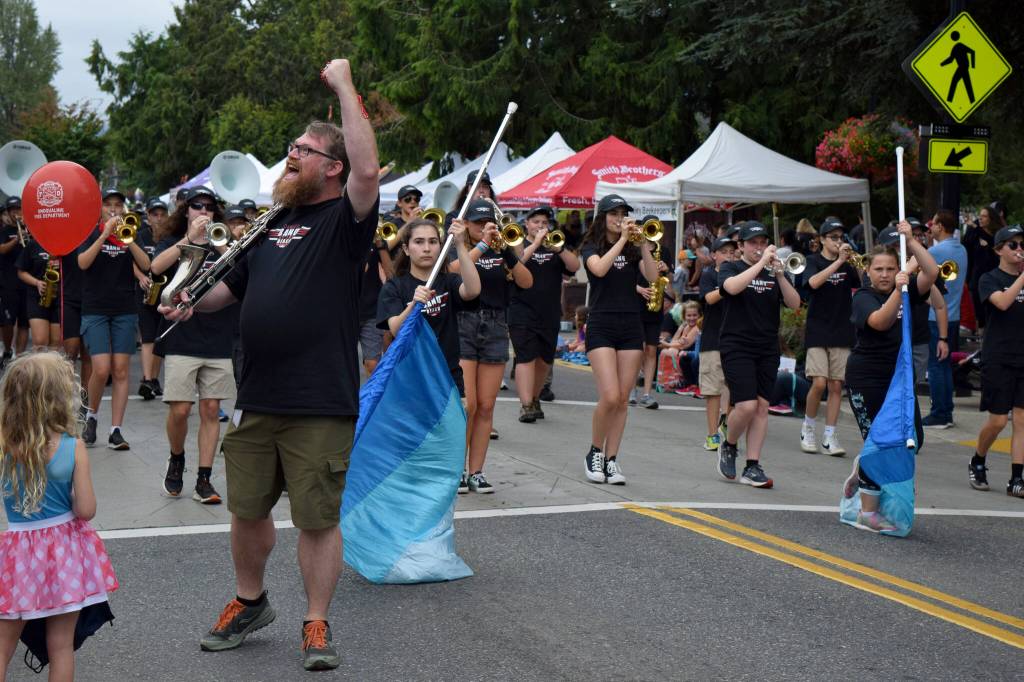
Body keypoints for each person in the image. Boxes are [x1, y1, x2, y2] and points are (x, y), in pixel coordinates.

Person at [159, 59, 379, 671]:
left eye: (303, 150)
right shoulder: (270, 222)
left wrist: (342, 86)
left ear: (330, 167)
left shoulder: (346, 219)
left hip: (319, 398)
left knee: (315, 518)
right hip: (257, 393)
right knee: (247, 509)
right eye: (291, 147)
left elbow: (367, 168)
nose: (290, 156)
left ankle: (315, 621)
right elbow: (233, 292)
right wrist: (191, 301)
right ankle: (250, 601)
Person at [0, 352, 118, 680]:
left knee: (2, 642)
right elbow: (86, 510)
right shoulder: (72, 445)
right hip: (64, 554)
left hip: (17, 553)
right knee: (61, 645)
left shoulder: (4, 445)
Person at [844, 227, 934, 530]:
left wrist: (911, 243)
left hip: (899, 378)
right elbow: (880, 322)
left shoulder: (909, 291)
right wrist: (898, 288)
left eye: (891, 269)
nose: (884, 274)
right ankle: (867, 513)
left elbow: (932, 272)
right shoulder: (863, 297)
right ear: (868, 272)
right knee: (879, 442)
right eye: (878, 269)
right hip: (867, 376)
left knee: (913, 439)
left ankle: (862, 470)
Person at [150, 188, 235, 505]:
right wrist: (190, 239)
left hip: (217, 335)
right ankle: (176, 458)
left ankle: (204, 478)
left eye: (209, 207)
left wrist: (219, 242)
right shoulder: (175, 242)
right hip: (182, 335)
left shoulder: (220, 240)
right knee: (180, 409)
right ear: (186, 210)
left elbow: (239, 269)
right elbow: (156, 267)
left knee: (211, 408)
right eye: (197, 206)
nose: (203, 211)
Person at [449, 198, 532, 492]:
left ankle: (477, 471)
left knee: (486, 406)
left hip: (496, 324)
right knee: (467, 404)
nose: (484, 228)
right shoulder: (460, 246)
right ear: (467, 224)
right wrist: (482, 244)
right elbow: (454, 269)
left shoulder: (501, 249)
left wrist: (507, 252)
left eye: (488, 223)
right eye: (477, 223)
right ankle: (456, 468)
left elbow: (526, 281)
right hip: (464, 323)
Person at [579, 194, 660, 485]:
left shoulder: (633, 246)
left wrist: (643, 246)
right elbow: (598, 269)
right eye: (613, 213)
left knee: (623, 400)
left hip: (630, 324)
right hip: (601, 322)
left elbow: (651, 277)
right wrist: (622, 241)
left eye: (623, 213)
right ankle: (594, 452)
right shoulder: (591, 246)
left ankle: (612, 459)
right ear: (602, 217)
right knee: (610, 395)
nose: (619, 218)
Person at [716, 221, 801, 488]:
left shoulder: (771, 271)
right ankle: (729, 444)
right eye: (753, 243)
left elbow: (795, 304)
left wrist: (779, 275)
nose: (759, 247)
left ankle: (752, 465)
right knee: (746, 405)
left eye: (763, 242)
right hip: (736, 344)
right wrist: (760, 263)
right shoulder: (731, 267)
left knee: (762, 406)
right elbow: (731, 288)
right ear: (740, 246)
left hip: (767, 346)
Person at [77, 188, 152, 450]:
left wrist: (128, 240)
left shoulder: (131, 232)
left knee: (120, 370)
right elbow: (83, 263)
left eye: (118, 205)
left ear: (124, 208)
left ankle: (116, 430)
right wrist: (105, 234)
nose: (113, 209)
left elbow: (146, 265)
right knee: (101, 369)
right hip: (95, 308)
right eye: (108, 205)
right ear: (100, 209)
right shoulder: (90, 232)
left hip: (124, 308)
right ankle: (92, 416)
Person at [377, 218, 481, 393]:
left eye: (433, 242)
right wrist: (413, 305)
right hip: (409, 379)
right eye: (419, 242)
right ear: (406, 249)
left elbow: (472, 290)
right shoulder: (394, 287)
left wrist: (461, 245)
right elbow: (396, 329)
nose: (426, 248)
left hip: (447, 376)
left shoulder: (449, 281)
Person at [969, 225, 1024, 499]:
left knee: (1022, 420)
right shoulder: (989, 278)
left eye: (1022, 244)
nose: (1019, 249)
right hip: (999, 356)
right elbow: (1002, 303)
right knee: (999, 421)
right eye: (1012, 245)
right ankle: (978, 459)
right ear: (999, 249)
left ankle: (1017, 477)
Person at [509, 205, 579, 422]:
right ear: (527, 225)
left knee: (544, 360)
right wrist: (536, 244)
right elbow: (515, 264)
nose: (540, 226)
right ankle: (525, 404)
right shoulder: (518, 243)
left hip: (548, 311)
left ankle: (535, 397)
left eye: (544, 222)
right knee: (525, 357)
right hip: (521, 309)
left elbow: (574, 266)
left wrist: (558, 249)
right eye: (536, 221)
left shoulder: (556, 246)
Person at [799, 217, 859, 456]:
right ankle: (808, 427)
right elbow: (812, 283)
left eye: (840, 237)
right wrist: (838, 262)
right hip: (818, 328)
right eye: (833, 237)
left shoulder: (848, 263)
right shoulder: (813, 261)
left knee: (836, 385)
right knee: (820, 382)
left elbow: (864, 281)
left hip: (842, 328)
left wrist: (854, 262)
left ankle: (830, 435)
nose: (838, 242)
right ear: (822, 239)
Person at [923, 209, 968, 428]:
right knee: (945, 365)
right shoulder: (962, 249)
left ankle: (939, 413)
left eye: (933, 224)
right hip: (953, 314)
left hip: (935, 314)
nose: (930, 227)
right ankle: (945, 411)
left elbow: (918, 272)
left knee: (936, 365)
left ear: (940, 227)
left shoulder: (936, 250)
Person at [698, 237, 735, 450]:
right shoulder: (709, 274)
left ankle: (727, 424)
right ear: (714, 255)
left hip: (735, 339)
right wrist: (727, 287)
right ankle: (712, 435)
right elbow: (708, 299)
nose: (729, 255)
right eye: (724, 251)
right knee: (713, 391)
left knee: (735, 389)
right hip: (712, 340)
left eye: (732, 251)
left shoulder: (740, 273)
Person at [137, 197, 171, 400]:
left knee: (161, 337)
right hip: (144, 290)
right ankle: (147, 378)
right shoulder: (140, 235)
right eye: (154, 214)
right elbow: (130, 259)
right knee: (148, 336)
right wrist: (140, 276)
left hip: (166, 290)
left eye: (162, 214)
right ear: (148, 216)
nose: (158, 218)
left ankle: (154, 379)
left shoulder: (169, 237)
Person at [16, 235, 62, 350]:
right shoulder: (33, 244)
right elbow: (21, 272)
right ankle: (38, 368)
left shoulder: (66, 245)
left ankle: (51, 368)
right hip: (37, 297)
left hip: (59, 297)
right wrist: (37, 283)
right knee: (40, 342)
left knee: (56, 342)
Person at [963, 204, 1004, 333]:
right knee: (979, 311)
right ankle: (981, 337)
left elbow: (998, 252)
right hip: (977, 278)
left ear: (991, 218)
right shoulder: (974, 233)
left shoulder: (998, 235)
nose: (980, 219)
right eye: (979, 216)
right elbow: (967, 249)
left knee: (993, 311)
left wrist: (988, 247)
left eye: (984, 216)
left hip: (995, 277)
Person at [0, 197, 29, 363]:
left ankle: (20, 357)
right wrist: (16, 239)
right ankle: (8, 348)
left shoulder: (29, 229)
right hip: (9, 283)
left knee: (25, 323)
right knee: (8, 321)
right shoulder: (4, 232)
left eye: (19, 209)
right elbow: (2, 250)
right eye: (13, 210)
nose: (16, 213)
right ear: (8, 213)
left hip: (26, 284)